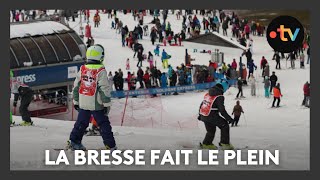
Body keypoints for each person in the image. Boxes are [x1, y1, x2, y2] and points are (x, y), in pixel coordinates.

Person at [68, 44, 117, 151]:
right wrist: (106, 104)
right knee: (103, 124)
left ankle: (74, 142)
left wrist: (76, 101)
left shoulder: (83, 68)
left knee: (81, 123)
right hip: (96, 104)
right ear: (101, 56)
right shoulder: (101, 70)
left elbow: (76, 86)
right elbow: (104, 89)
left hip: (83, 102)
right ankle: (110, 145)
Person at [198, 84, 234, 150]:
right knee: (224, 125)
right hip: (211, 115)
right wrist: (229, 119)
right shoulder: (219, 97)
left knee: (211, 130)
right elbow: (222, 110)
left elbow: (202, 105)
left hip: (204, 115)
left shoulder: (207, 94)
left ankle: (207, 143)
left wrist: (200, 115)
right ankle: (225, 143)